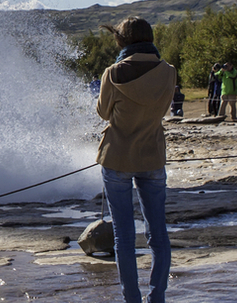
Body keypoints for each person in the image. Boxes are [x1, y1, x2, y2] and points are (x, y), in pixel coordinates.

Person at [90, 17, 174, 302]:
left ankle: (132, 300)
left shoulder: (113, 73)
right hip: (152, 155)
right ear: (149, 39)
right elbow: (163, 109)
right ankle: (157, 297)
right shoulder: (169, 72)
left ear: (122, 41)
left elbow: (103, 112)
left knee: (123, 238)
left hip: (117, 157)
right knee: (159, 235)